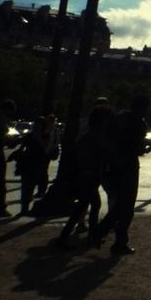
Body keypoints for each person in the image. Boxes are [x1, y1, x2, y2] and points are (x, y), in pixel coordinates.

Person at [94, 94, 148, 255]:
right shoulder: (137, 120)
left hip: (115, 164)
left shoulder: (119, 118)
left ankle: (108, 235)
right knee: (126, 205)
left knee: (121, 205)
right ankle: (113, 238)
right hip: (128, 164)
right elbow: (136, 144)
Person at [56, 104, 111, 248]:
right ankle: (89, 237)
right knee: (86, 206)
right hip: (90, 174)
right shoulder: (95, 136)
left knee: (85, 206)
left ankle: (85, 236)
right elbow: (102, 153)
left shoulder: (88, 134)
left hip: (86, 174)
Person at [11, 115, 54, 215]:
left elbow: (46, 148)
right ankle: (24, 208)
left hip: (38, 162)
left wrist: (39, 138)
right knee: (26, 185)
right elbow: (22, 146)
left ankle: (25, 207)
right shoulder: (29, 135)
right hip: (28, 161)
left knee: (31, 185)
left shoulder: (45, 135)